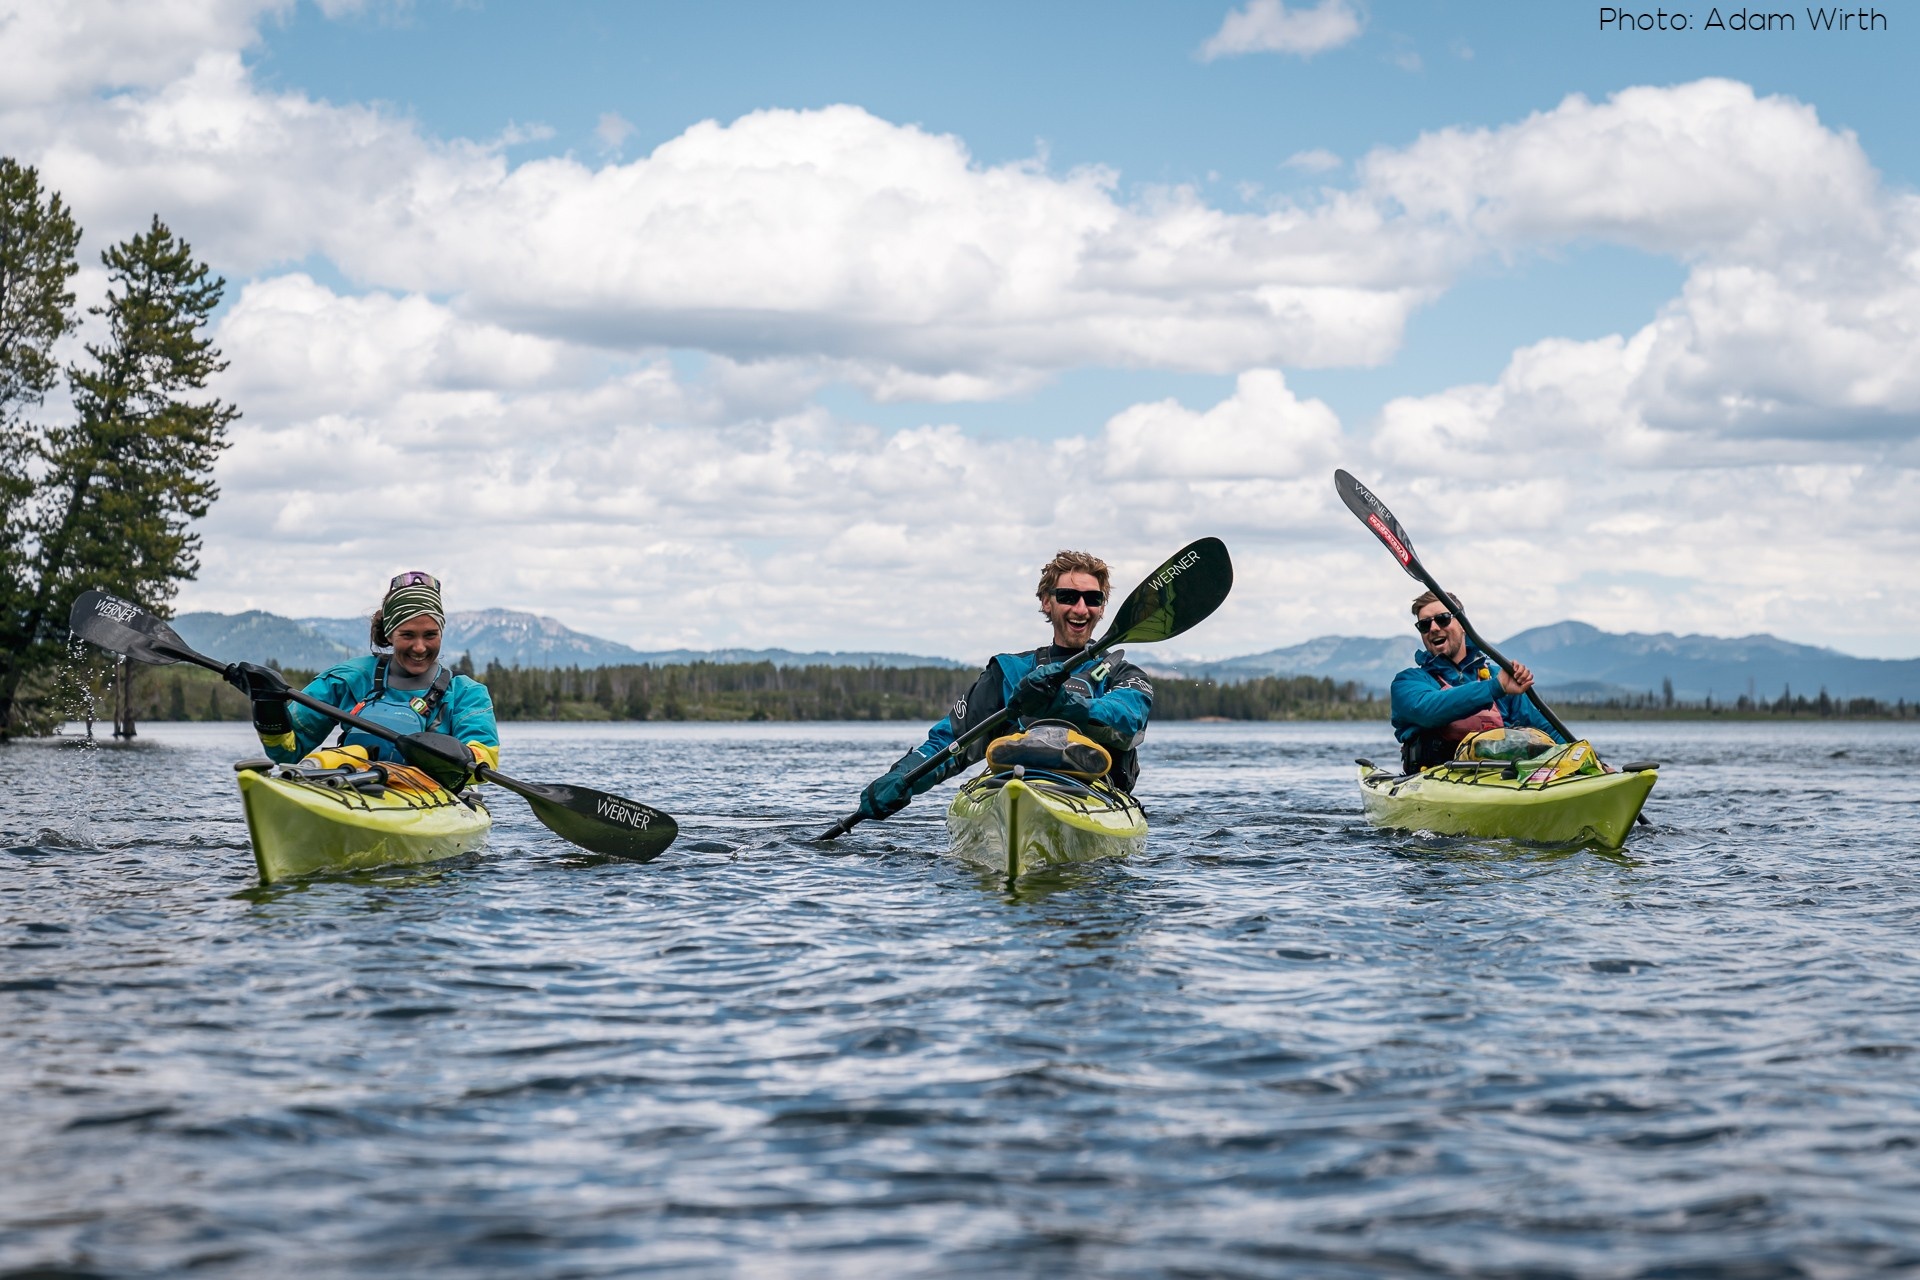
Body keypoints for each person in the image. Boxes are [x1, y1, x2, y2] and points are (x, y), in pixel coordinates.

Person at [856, 550, 1155, 821]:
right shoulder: (1010, 672)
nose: (1080, 608)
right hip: (1012, 787)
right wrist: (902, 775)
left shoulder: (1122, 673)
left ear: (1102, 608)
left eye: (1092, 599)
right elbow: (950, 743)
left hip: (1096, 797)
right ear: (1046, 602)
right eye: (1067, 596)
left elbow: (1129, 718)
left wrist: (1068, 706)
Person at [223, 571, 500, 774]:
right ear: (390, 634)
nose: (419, 647)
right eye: (407, 635)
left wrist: (454, 756)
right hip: (346, 782)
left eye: (430, 635)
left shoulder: (466, 694)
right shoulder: (348, 678)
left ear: (442, 632)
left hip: (429, 795)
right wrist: (266, 705)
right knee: (353, 754)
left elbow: (483, 759)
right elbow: (286, 749)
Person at [1390, 590, 1564, 772]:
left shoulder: (1500, 678)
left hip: (1499, 780)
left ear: (1463, 624)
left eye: (1443, 619)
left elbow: (1548, 733)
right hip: (1433, 782)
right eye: (1425, 624)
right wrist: (1494, 688)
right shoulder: (1407, 682)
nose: (1433, 628)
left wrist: (1582, 757)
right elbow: (1427, 710)